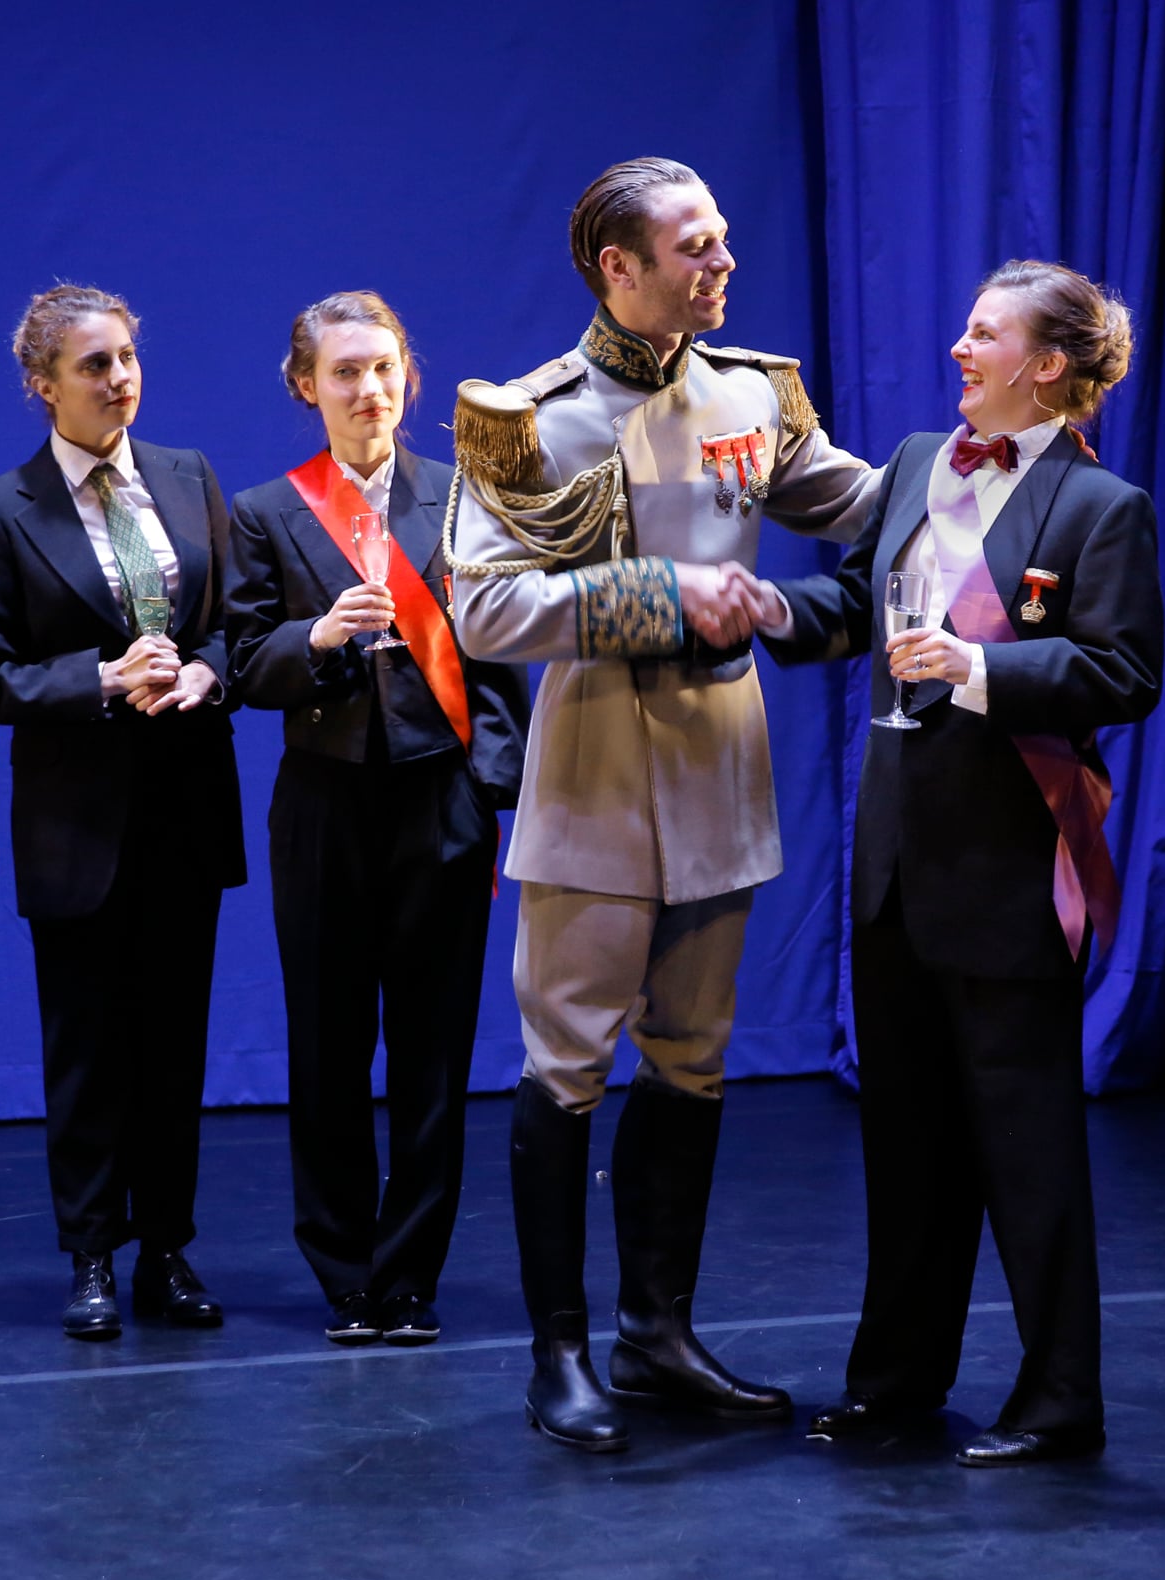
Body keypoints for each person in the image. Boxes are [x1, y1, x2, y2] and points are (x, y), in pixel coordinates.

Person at [445, 157, 880, 1452]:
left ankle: (658, 1334)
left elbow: (871, 507)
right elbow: (482, 609)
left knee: (692, 1057)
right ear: (617, 267)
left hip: (717, 769)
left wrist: (1002, 489)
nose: (723, 263)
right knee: (567, 1065)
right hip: (594, 770)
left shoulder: (749, 393)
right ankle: (559, 1355)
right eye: (695, 246)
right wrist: (657, 594)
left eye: (723, 239)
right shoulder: (530, 419)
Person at [755, 260, 1162, 1465]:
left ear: (1048, 364)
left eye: (985, 334)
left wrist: (977, 669)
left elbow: (1124, 674)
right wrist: (768, 612)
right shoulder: (922, 460)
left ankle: (1060, 1398)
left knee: (1026, 1149)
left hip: (1008, 865)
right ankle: (895, 1380)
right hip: (895, 859)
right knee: (907, 1142)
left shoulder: (1102, 508)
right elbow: (856, 605)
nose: (958, 349)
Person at [226, 292, 529, 1347]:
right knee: (327, 1046)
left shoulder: (463, 498)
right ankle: (344, 1270)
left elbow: (500, 665)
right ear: (305, 385)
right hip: (324, 805)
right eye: (346, 372)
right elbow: (243, 665)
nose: (369, 390)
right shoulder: (266, 512)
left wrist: (487, 792)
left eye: (384, 368)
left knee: (433, 1054)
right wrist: (316, 639)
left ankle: (409, 1277)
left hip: (440, 802)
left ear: (409, 375)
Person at [0, 285, 246, 1340]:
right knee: (87, 1049)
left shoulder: (187, 476)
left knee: (173, 1046)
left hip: (185, 808)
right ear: (44, 385)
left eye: (127, 358)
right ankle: (91, 1254)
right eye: (94, 365)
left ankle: (166, 1249)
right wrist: (100, 679)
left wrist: (209, 674)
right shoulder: (0, 509)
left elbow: (234, 626)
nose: (119, 379)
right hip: (77, 825)